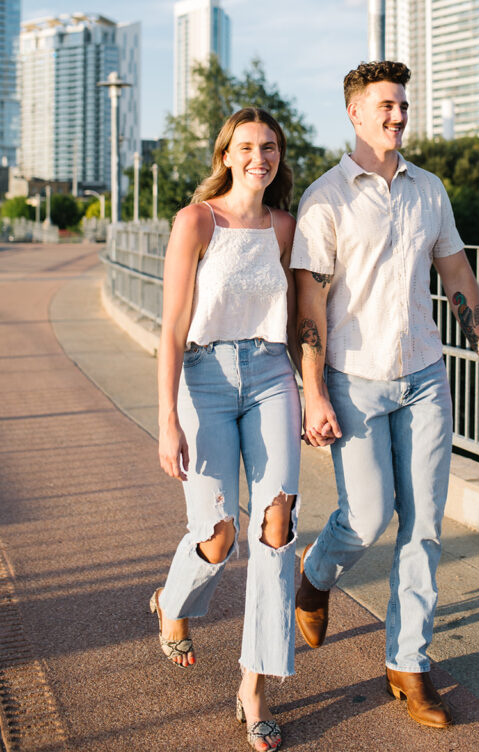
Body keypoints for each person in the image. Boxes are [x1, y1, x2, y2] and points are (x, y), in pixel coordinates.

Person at [291, 61, 479, 730]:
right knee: (367, 515)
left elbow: (455, 271)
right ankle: (317, 574)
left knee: (423, 526)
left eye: (402, 105)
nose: (397, 115)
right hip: (353, 380)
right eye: (384, 105)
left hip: (424, 377)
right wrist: (312, 393)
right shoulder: (325, 198)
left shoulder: (429, 190)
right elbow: (309, 302)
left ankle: (407, 664)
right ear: (355, 114)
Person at [150, 107, 301, 752]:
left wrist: (314, 391)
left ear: (278, 157)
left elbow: (297, 321)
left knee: (276, 526)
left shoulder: (286, 227)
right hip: (203, 378)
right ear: (226, 154)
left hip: (271, 374)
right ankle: (172, 601)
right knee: (217, 535)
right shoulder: (196, 222)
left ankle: (254, 689)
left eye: (269, 147)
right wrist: (165, 419)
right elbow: (173, 326)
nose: (258, 157)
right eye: (246, 147)